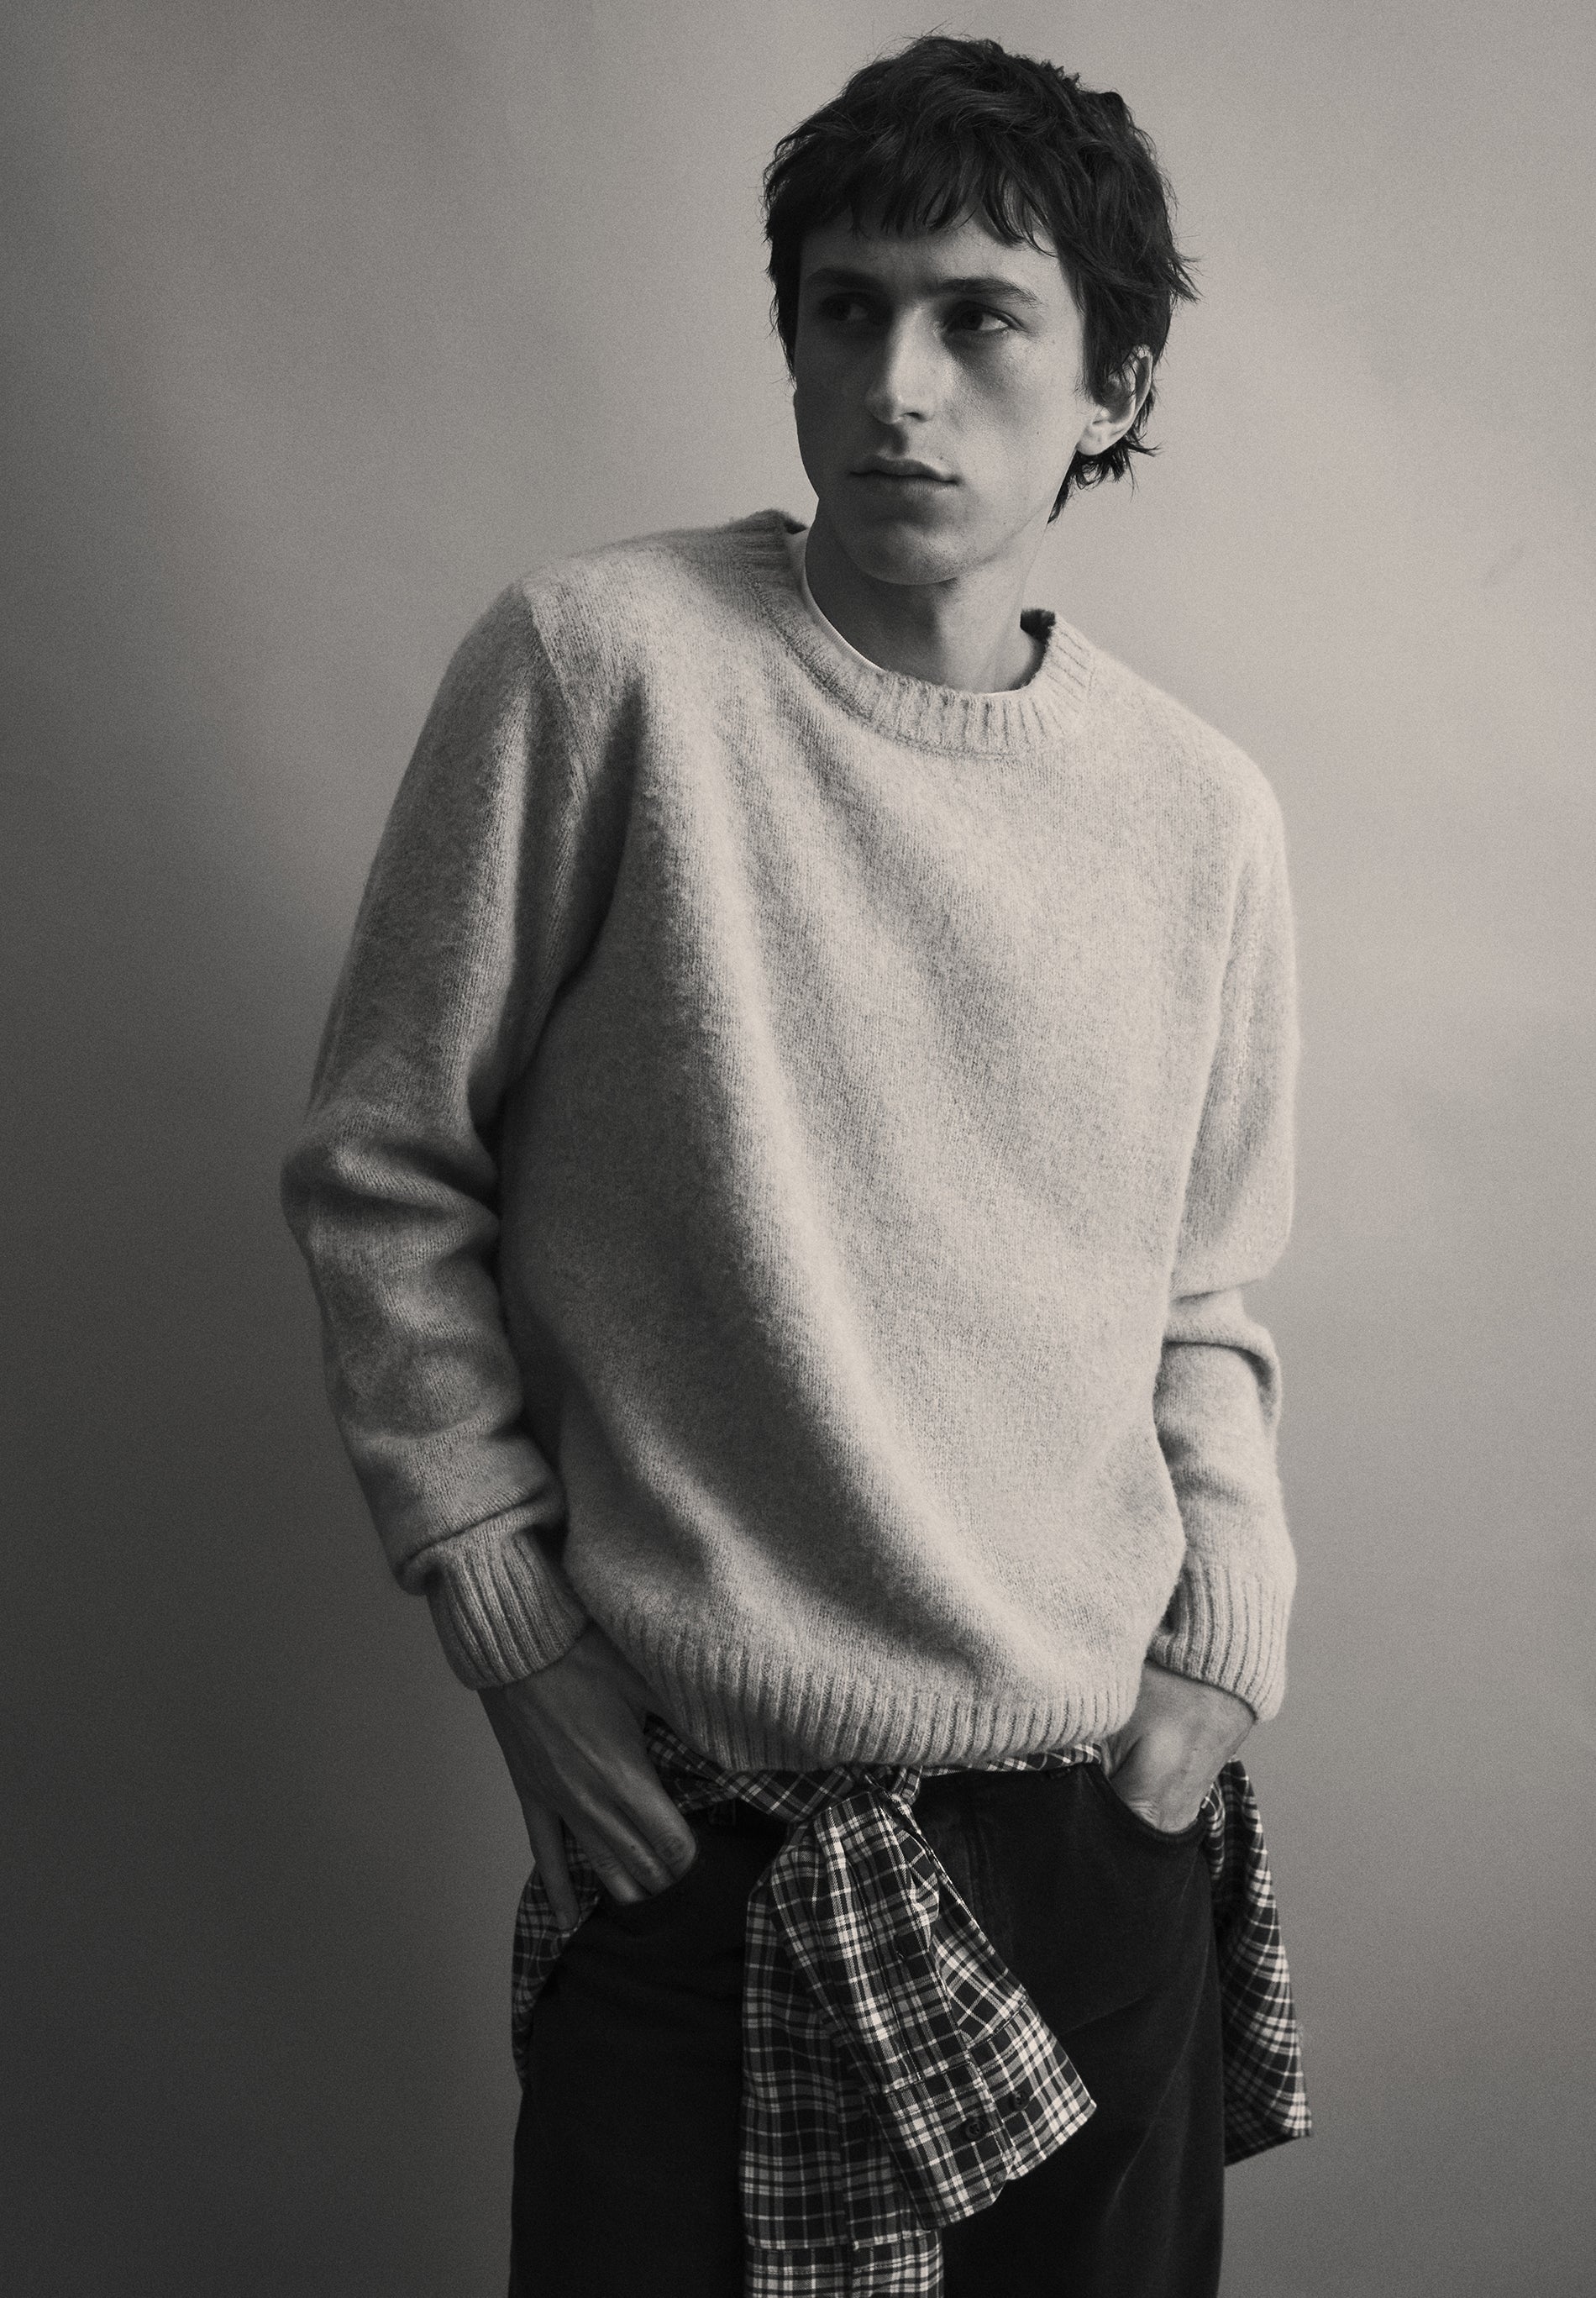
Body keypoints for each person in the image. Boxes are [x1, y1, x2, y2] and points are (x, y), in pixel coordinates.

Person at [282, 33, 1309, 2298]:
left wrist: (1221, 1647)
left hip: (1094, 1828)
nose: (896, 387)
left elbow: (1200, 1290)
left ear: (1114, 382)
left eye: (979, 320)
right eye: (847, 311)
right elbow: (382, 1169)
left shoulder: (1199, 815)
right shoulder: (598, 668)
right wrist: (512, 1628)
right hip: (701, 1841)